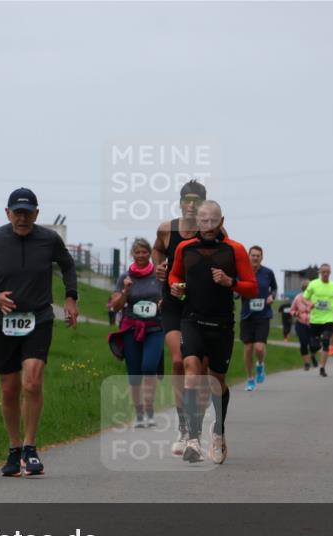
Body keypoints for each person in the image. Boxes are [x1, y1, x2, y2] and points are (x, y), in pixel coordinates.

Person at [0, 187, 79, 477]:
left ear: (37, 214)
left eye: (28, 213)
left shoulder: (49, 239)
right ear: (7, 213)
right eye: (17, 213)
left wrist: (71, 297)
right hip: (3, 321)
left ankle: (30, 448)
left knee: (32, 381)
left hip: (38, 318)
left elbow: (68, 266)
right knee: (9, 388)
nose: (22, 218)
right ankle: (14, 449)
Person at [168, 200, 256, 465]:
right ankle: (193, 437)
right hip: (192, 319)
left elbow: (252, 288)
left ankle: (218, 432)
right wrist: (176, 287)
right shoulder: (185, 248)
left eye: (213, 221)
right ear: (197, 222)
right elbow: (174, 275)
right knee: (191, 371)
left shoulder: (235, 250)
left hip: (221, 324)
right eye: (203, 221)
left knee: (217, 381)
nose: (208, 226)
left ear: (222, 221)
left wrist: (230, 282)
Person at [152, 180, 215, 455]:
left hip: (201, 307)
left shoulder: (212, 230)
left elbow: (227, 257)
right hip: (173, 305)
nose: (191, 205)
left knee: (199, 368)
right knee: (178, 361)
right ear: (180, 203)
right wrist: (159, 267)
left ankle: (197, 420)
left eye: (196, 200)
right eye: (186, 200)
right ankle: (184, 426)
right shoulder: (167, 229)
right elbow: (157, 249)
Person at [108, 238, 165, 428]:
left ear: (150, 254)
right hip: (131, 329)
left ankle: (149, 410)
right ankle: (139, 413)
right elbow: (115, 306)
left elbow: (170, 298)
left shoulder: (158, 276)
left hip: (155, 328)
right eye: (137, 252)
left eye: (144, 252)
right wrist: (125, 291)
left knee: (149, 367)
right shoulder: (125, 277)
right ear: (132, 254)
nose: (141, 255)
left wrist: (163, 303)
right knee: (134, 375)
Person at [240, 245, 278, 391]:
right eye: (253, 255)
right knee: (248, 348)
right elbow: (236, 287)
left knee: (259, 348)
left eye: (258, 256)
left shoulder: (268, 273)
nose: (255, 258)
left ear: (262, 258)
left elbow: (274, 288)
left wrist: (272, 296)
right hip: (247, 315)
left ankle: (260, 365)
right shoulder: (242, 272)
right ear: (248, 256)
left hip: (263, 315)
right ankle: (250, 379)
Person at [302, 264, 333, 378]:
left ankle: (322, 368)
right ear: (320, 272)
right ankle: (313, 355)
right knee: (314, 346)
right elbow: (304, 298)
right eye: (323, 272)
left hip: (328, 318)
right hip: (315, 319)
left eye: (327, 272)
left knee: (326, 341)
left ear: (330, 272)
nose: (325, 274)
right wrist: (309, 304)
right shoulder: (313, 284)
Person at [289, 281, 316, 370]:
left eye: (308, 290)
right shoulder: (298, 298)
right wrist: (296, 313)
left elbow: (321, 310)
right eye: (304, 289)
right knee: (303, 343)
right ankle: (307, 363)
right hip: (301, 323)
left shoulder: (315, 298)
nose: (306, 291)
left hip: (313, 323)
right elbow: (291, 310)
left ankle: (313, 356)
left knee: (313, 345)